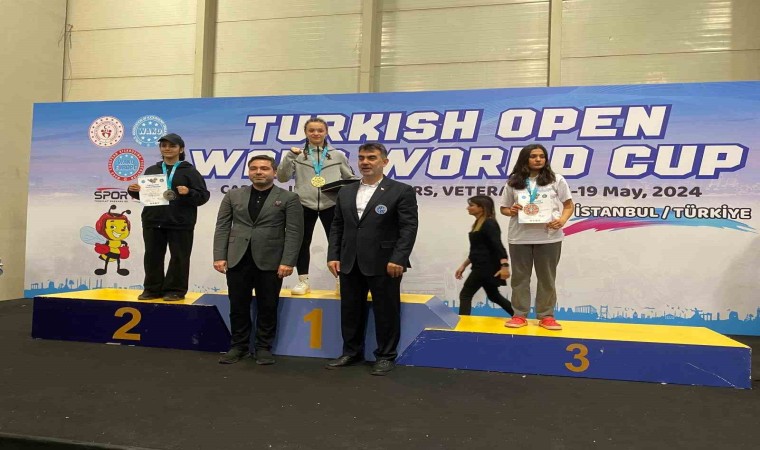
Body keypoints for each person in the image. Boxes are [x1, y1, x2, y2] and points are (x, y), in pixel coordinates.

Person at [326, 142, 418, 376]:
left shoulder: (401, 190)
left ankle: (386, 356)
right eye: (361, 158)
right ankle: (351, 352)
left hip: (385, 262)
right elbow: (337, 226)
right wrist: (333, 255)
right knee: (350, 310)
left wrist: (399, 258)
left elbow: (408, 228)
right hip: (349, 260)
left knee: (386, 311)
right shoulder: (346, 191)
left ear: (384, 162)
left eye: (371, 157)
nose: (365, 162)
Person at [213, 155, 304, 365]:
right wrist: (219, 256)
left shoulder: (289, 198)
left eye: (264, 168)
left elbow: (294, 232)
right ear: (249, 172)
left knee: (268, 306)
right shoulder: (233, 195)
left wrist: (288, 261)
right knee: (238, 306)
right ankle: (239, 346)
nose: (258, 172)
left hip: (271, 260)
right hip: (237, 258)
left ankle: (263, 347)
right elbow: (222, 227)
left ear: (274, 172)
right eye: (254, 168)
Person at [277, 117, 355, 295]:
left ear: (326, 132)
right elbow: (282, 177)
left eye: (320, 130)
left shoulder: (338, 155)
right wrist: (289, 156)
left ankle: (341, 280)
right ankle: (303, 281)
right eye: (311, 130)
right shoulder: (297, 155)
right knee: (302, 243)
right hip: (304, 204)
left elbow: (349, 178)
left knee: (337, 242)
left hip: (331, 204)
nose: (316, 133)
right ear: (306, 133)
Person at [127, 133, 210, 301]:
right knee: (152, 256)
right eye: (163, 145)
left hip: (180, 222)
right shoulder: (152, 170)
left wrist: (189, 192)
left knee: (179, 257)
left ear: (181, 149)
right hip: (153, 220)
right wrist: (134, 191)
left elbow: (203, 196)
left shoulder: (190, 172)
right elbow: (148, 197)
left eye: (172, 146)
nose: (167, 149)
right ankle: (152, 289)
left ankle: (175, 290)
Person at [499, 144, 573, 330]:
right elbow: (504, 208)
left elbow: (569, 205)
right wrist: (512, 210)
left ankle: (546, 316)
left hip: (549, 237)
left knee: (547, 278)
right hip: (520, 237)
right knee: (520, 278)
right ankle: (519, 315)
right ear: (525, 159)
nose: (538, 159)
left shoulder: (556, 179)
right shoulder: (513, 182)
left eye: (542, 156)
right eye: (533, 156)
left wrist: (562, 220)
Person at [455, 196, 514, 317]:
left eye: (471, 205)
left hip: (485, 268)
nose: (468, 208)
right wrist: (463, 266)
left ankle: (463, 325)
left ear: (482, 208)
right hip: (481, 266)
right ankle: (518, 316)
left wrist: (504, 266)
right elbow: (477, 250)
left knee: (465, 295)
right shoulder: (478, 224)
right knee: (494, 296)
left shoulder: (489, 223)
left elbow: (498, 246)